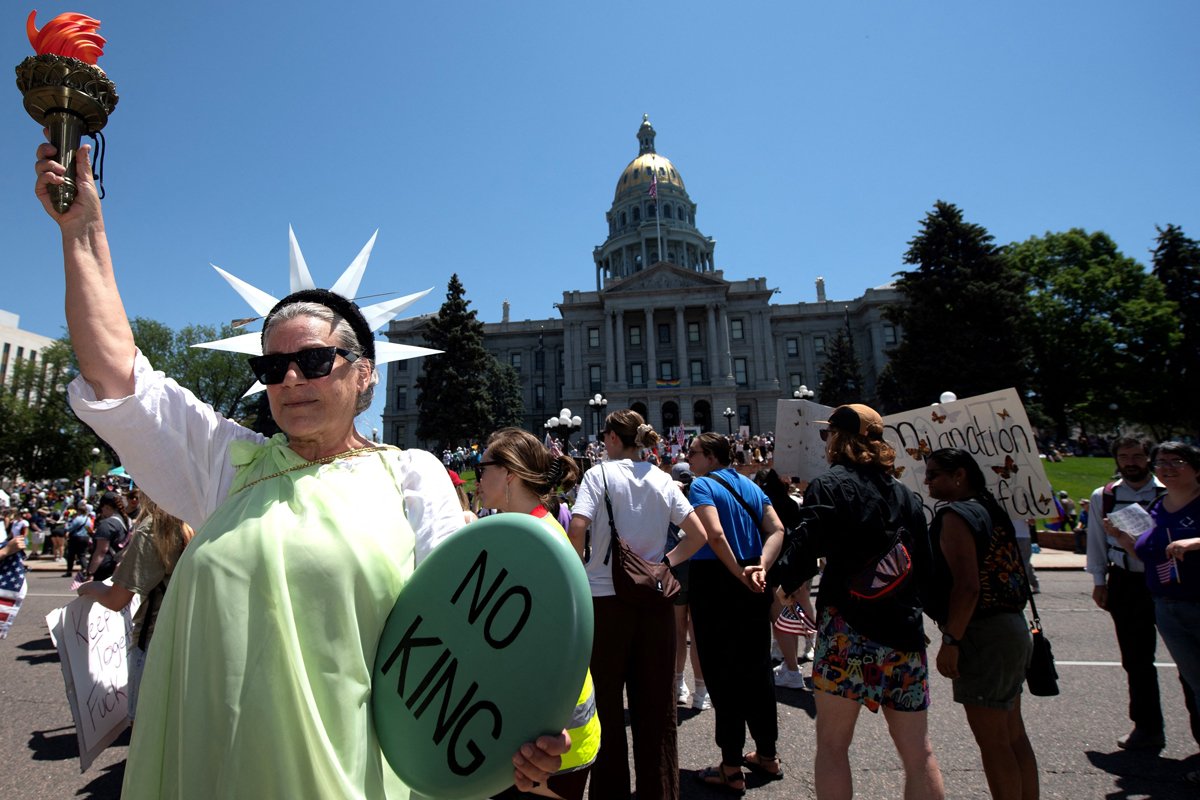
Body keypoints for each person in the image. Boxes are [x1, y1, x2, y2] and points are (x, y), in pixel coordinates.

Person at [35, 139, 567, 798]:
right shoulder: (228, 465)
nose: (291, 379)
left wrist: (518, 743)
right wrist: (83, 231)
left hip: (353, 776)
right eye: (273, 367)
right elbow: (117, 378)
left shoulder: (411, 477)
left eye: (314, 361)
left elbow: (468, 645)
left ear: (364, 373)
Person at [567, 410, 740, 800]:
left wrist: (579, 570)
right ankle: (659, 790)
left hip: (605, 601)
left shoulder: (598, 475)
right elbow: (697, 534)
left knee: (606, 705)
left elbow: (577, 527)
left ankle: (609, 793)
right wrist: (665, 564)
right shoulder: (662, 478)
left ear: (613, 438)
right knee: (657, 706)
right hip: (655, 599)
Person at [798, 404, 944, 800]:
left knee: (833, 745)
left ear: (839, 439)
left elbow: (804, 549)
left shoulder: (828, 485)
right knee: (918, 752)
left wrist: (779, 586)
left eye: (828, 434)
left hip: (847, 629)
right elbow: (926, 571)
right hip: (902, 632)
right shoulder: (906, 495)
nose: (825, 441)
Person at [475, 428, 600, 800]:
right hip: (545, 739)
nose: (477, 477)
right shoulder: (531, 529)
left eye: (483, 467)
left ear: (509, 474)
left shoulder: (535, 542)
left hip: (550, 745)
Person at [924, 448, 1038, 799]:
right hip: (1011, 626)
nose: (927, 482)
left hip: (982, 633)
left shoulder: (955, 516)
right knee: (1013, 734)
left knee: (994, 742)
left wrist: (951, 640)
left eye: (933, 474)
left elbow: (968, 587)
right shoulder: (991, 508)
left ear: (959, 475)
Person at [685, 433, 784, 793]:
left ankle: (730, 766)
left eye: (693, 452)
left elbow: (713, 534)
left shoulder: (701, 486)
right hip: (755, 575)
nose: (688, 457)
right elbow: (777, 529)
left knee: (722, 671)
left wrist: (737, 572)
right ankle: (768, 754)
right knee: (757, 668)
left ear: (711, 457)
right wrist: (760, 566)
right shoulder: (751, 486)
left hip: (717, 579)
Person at [1085, 436, 1199, 751]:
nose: (1131, 462)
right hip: (1126, 580)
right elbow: (1096, 539)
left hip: (1175, 582)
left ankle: (1198, 733)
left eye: (1137, 455)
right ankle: (1147, 728)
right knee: (1136, 659)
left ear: (1148, 458)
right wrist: (1099, 580)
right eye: (1124, 456)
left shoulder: (1169, 490)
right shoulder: (1105, 495)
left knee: (1189, 664)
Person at [1111, 442, 1200, 784]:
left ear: (1196, 468)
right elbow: (1149, 554)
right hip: (1166, 605)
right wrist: (1123, 539)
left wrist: (1195, 542)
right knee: (1197, 683)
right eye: (1162, 462)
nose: (1167, 467)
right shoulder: (1157, 506)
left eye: (1177, 461)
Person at [76, 493, 194, 719]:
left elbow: (116, 599)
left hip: (155, 640)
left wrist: (90, 587)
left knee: (144, 724)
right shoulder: (200, 520)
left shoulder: (157, 528)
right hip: (191, 637)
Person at [83, 490, 129, 582]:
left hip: (104, 568)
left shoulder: (107, 524)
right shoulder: (124, 521)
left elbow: (101, 551)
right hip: (116, 568)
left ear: (106, 506)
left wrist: (90, 573)